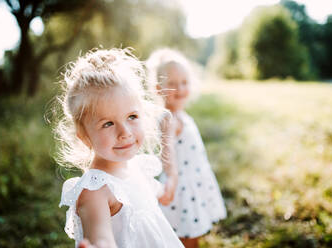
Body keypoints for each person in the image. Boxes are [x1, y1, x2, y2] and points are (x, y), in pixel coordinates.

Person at [53, 48, 184, 247]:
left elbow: (146, 201)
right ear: (84, 137)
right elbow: (101, 236)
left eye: (132, 117)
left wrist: (166, 188)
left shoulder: (134, 167)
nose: (125, 132)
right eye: (108, 124)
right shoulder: (95, 191)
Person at [146, 48, 227, 248]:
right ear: (158, 89)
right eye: (172, 84)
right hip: (182, 186)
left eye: (184, 82)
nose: (180, 88)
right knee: (185, 233)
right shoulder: (168, 119)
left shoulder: (181, 114)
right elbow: (168, 153)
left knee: (190, 232)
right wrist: (172, 179)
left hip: (194, 181)